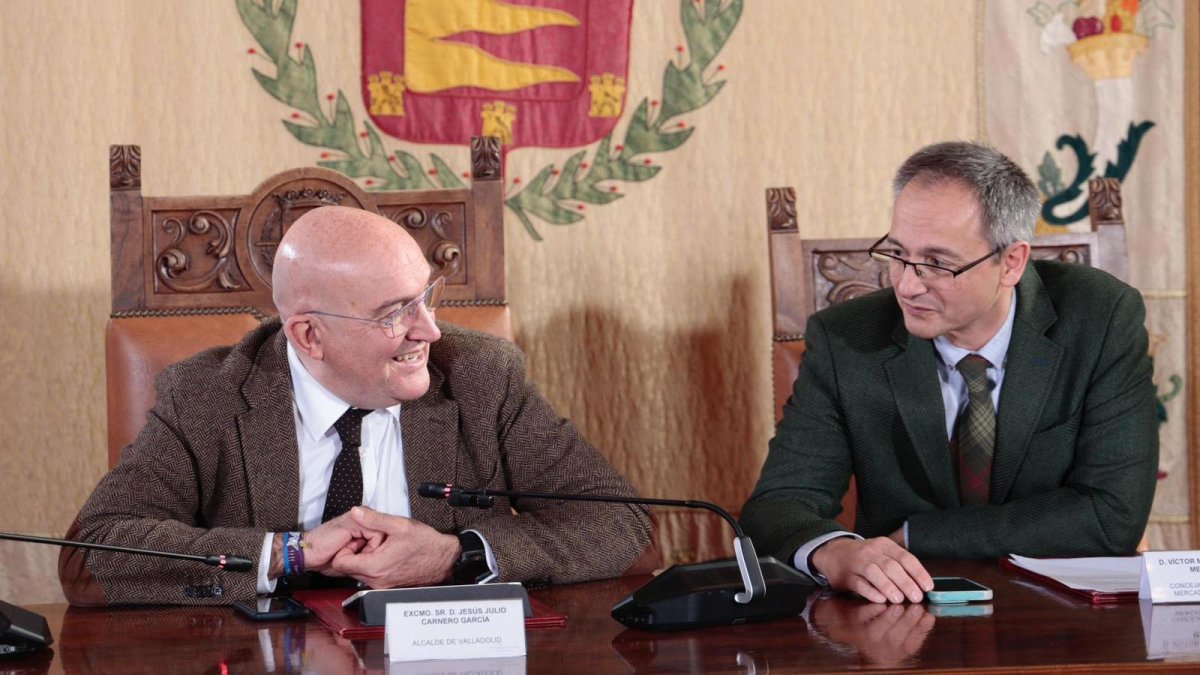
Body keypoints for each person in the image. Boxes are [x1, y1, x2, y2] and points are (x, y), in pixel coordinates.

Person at [60, 205, 653, 605]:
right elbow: (93, 558)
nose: (430, 331)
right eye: (394, 313)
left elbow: (626, 527)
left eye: (427, 297)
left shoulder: (480, 377)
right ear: (309, 336)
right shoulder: (210, 396)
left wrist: (457, 555)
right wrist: (287, 554)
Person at [741, 141, 1158, 604]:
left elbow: (1112, 517)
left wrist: (916, 536)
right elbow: (778, 506)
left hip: (1061, 613)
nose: (906, 284)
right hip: (898, 612)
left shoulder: (1100, 317)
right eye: (897, 254)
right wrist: (833, 551)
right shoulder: (847, 339)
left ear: (1012, 262)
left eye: (937, 264)